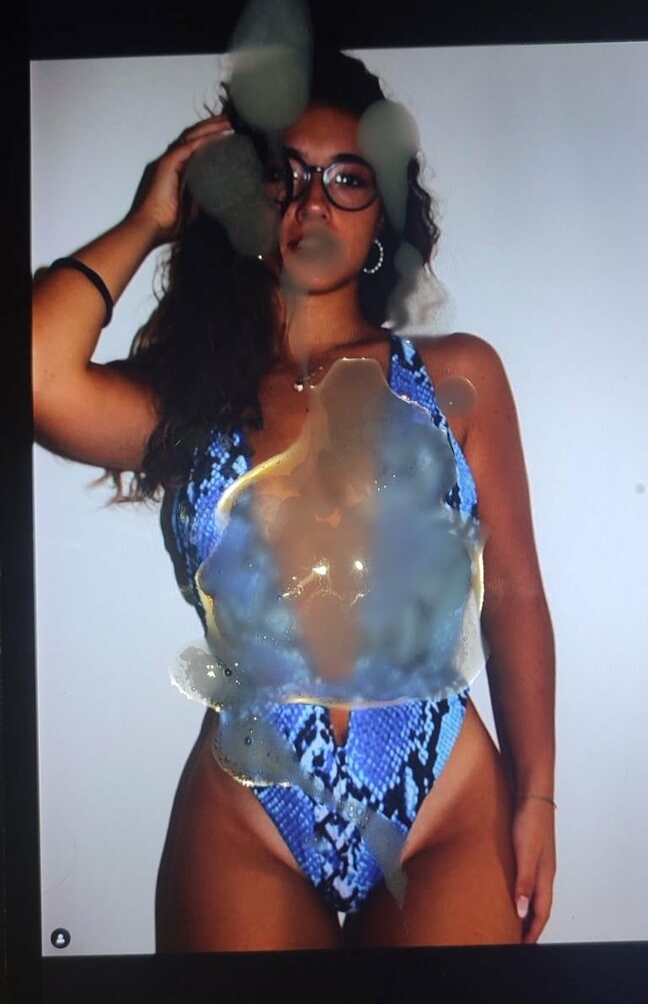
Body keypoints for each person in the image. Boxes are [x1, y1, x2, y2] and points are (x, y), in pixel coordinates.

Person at [32, 48, 555, 951]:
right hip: (249, 814)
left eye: (349, 179)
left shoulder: (458, 378)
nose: (314, 204)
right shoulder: (187, 401)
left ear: (383, 212)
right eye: (287, 175)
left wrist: (538, 795)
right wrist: (150, 219)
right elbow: (37, 377)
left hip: (445, 802)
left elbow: (512, 593)